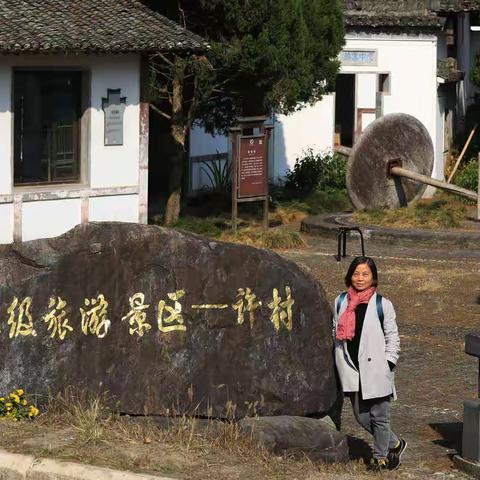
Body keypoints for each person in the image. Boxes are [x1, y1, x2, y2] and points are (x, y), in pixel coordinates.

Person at [332, 256, 407, 472]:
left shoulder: (383, 304)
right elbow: (335, 330)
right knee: (361, 416)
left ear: (373, 277)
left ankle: (380, 457)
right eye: (356, 273)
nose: (360, 278)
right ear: (350, 275)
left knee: (379, 416)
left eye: (365, 274)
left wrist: (389, 363)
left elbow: (393, 337)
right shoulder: (340, 301)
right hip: (352, 369)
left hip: (376, 369)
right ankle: (395, 443)